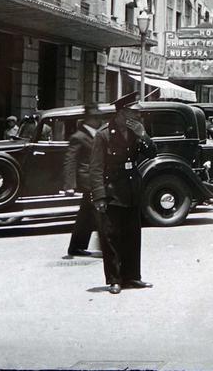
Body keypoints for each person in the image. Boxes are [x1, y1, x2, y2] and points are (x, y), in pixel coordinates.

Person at [89, 92, 155, 294]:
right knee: (112, 238)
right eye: (134, 114)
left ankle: (133, 276)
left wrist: (144, 135)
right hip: (112, 192)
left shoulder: (136, 132)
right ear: (121, 113)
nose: (137, 117)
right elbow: (96, 168)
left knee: (132, 235)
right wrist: (99, 196)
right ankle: (115, 279)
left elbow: (152, 153)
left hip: (131, 190)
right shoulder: (104, 135)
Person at [62, 104, 102, 259]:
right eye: (96, 118)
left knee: (85, 216)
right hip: (88, 182)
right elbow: (70, 161)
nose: (99, 121)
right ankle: (107, 248)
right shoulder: (78, 137)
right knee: (101, 213)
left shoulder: (97, 135)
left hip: (95, 180)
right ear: (89, 120)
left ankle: (76, 247)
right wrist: (69, 185)